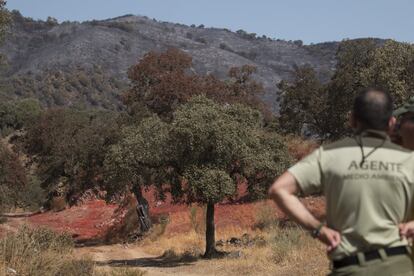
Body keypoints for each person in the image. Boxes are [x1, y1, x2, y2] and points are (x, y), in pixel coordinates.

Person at [269, 88, 414, 275]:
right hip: (398, 266)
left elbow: (278, 189)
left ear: (352, 119)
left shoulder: (328, 155)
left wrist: (318, 231)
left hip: (348, 267)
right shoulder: (408, 159)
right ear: (391, 122)